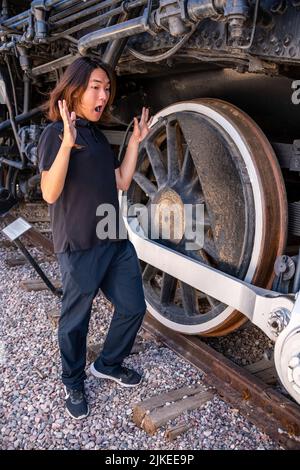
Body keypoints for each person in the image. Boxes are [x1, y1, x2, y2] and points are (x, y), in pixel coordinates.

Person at [37, 56, 152, 420]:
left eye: (107, 89)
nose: (104, 95)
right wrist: (68, 145)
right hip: (80, 243)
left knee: (134, 307)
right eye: (96, 87)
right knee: (76, 321)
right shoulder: (54, 134)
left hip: (113, 239)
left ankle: (107, 363)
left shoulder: (98, 136)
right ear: (74, 90)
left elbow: (119, 181)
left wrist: (135, 142)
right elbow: (49, 193)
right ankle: (72, 379)